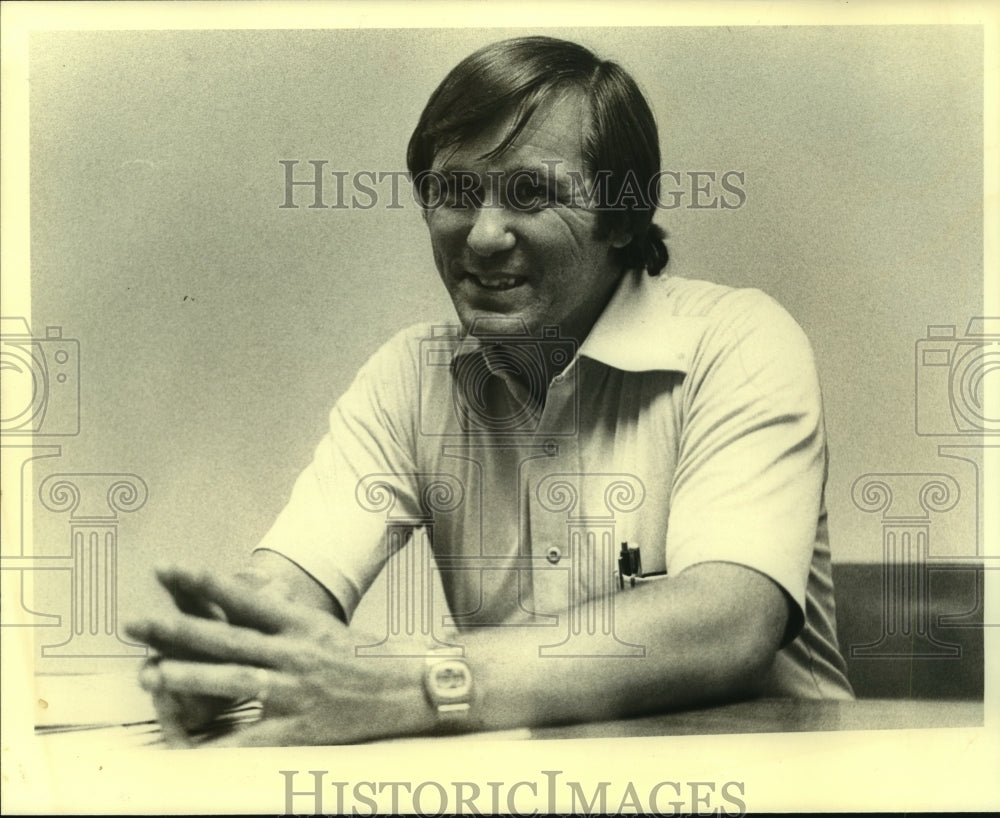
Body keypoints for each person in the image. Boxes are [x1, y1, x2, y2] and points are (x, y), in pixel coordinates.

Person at [126, 35, 854, 748]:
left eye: (530, 195)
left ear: (622, 218)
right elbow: (292, 581)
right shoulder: (410, 378)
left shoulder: (740, 340)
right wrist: (227, 652)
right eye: (454, 193)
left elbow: (730, 623)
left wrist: (416, 684)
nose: (481, 236)